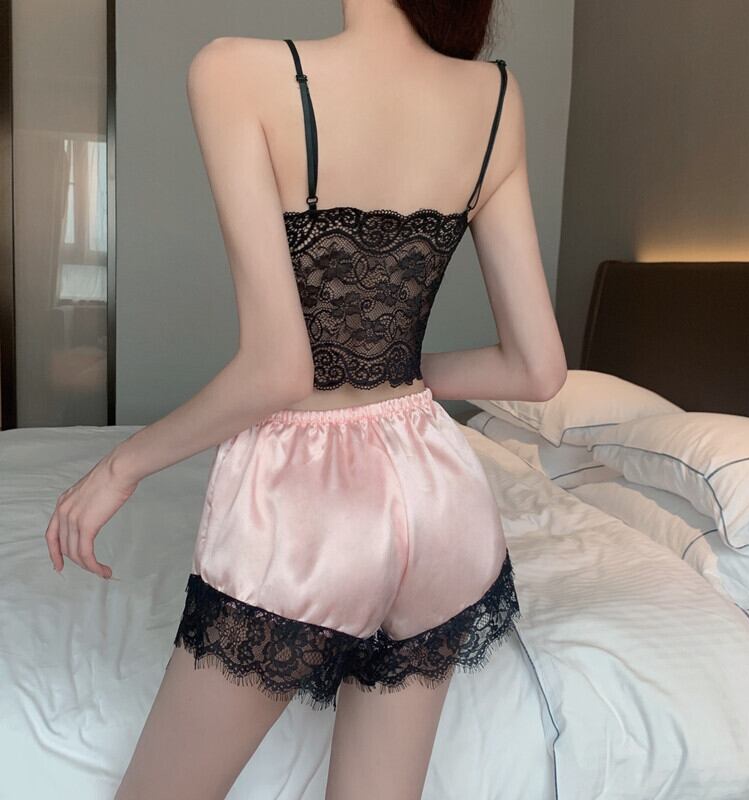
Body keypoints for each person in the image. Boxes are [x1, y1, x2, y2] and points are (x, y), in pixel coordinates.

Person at [45, 1, 567, 798]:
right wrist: (393, 372)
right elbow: (538, 370)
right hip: (441, 496)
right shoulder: (496, 97)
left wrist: (122, 466)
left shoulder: (234, 71)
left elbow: (278, 371)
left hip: (311, 509)